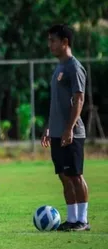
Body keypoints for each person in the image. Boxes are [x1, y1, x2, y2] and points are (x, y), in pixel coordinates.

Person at [42, 24, 90, 231]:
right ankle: (71, 220)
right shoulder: (59, 67)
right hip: (56, 132)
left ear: (65, 42)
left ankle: (83, 220)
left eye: (53, 40)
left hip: (71, 133)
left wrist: (69, 128)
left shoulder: (74, 67)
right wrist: (48, 127)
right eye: (49, 40)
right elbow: (57, 103)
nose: (49, 44)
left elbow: (79, 99)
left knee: (75, 176)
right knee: (63, 176)